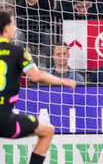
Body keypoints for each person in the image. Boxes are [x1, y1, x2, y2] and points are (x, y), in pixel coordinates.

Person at [0, 10, 76, 164]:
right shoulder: (17, 52)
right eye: (13, 25)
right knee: (48, 131)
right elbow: (36, 76)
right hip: (3, 119)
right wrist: (63, 81)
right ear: (6, 28)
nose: (15, 29)